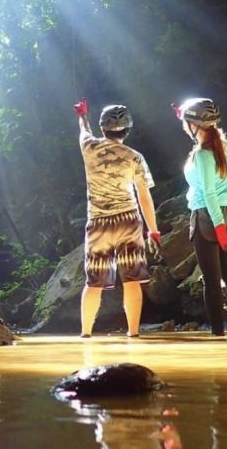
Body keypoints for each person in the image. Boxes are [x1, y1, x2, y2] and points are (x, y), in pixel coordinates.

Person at [73, 98, 161, 338]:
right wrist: (153, 230)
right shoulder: (135, 157)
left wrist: (82, 115)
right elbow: (144, 196)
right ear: (127, 130)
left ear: (103, 129)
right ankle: (133, 334)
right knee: (131, 279)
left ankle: (86, 335)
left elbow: (83, 131)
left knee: (94, 282)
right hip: (129, 221)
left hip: (98, 223)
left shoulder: (89, 147)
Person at [173, 97, 227, 336]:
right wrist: (187, 117)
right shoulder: (223, 146)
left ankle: (218, 335)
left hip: (208, 216)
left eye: (187, 122)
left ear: (194, 124)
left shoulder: (202, 154)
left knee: (212, 281)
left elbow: (207, 193)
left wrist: (218, 228)